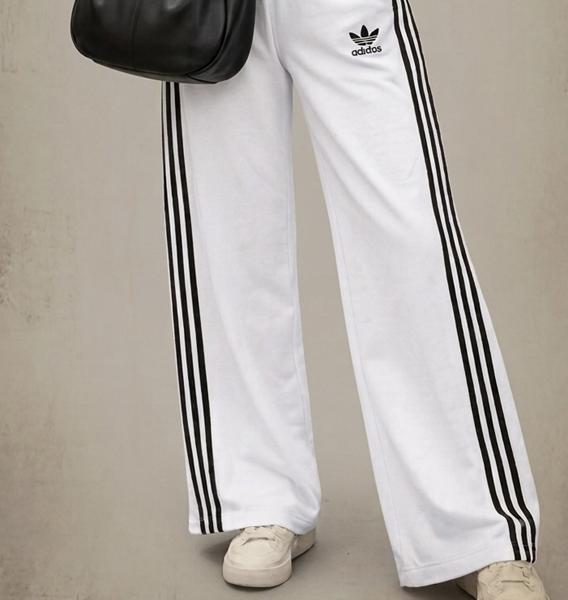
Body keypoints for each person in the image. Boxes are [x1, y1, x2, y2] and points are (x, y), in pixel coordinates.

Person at [160, 0, 550, 597]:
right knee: (228, 233)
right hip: (211, 8)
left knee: (409, 232)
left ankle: (478, 530)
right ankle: (262, 497)